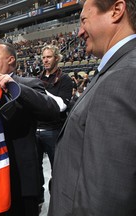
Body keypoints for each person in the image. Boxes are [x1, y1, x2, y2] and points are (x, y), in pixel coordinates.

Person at [48, 0, 136, 215]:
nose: (79, 32)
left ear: (116, 11)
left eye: (84, 21)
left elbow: (105, 196)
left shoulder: (123, 76)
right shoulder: (118, 68)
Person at [0, 41, 60, 216]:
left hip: (21, 177)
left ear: (11, 59)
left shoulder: (28, 83)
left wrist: (15, 87)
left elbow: (51, 110)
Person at [36, 44, 73, 198]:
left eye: (49, 57)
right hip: (35, 131)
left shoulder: (65, 79)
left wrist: (40, 91)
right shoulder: (37, 78)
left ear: (57, 58)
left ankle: (58, 201)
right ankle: (38, 200)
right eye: (43, 57)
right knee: (34, 171)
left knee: (57, 170)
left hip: (54, 131)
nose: (45, 60)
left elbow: (62, 106)